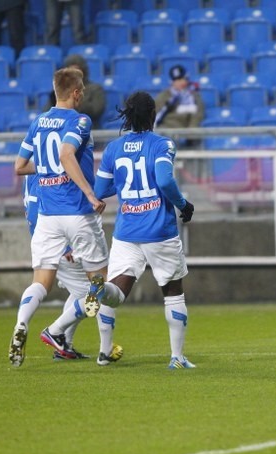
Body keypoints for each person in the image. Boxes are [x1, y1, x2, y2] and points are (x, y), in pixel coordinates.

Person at [9, 67, 110, 367]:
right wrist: (90, 195)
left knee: (41, 282)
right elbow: (67, 155)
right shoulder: (80, 120)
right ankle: (60, 332)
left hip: (48, 217)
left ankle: (21, 323)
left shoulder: (38, 122)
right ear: (77, 92)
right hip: (77, 213)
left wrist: (47, 170)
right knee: (101, 285)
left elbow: (19, 166)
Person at [92, 90, 196, 370]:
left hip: (126, 231)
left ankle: (104, 352)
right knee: (173, 292)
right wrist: (183, 205)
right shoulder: (163, 144)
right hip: (159, 231)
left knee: (116, 291)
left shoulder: (113, 149)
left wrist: (126, 185)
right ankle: (176, 357)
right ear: (153, 115)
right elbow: (164, 180)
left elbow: (100, 190)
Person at [20, 171, 121, 362]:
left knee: (79, 293)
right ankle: (104, 350)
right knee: (99, 289)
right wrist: (65, 245)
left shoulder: (37, 168)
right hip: (65, 243)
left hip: (56, 240)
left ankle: (64, 346)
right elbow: (35, 211)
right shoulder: (44, 171)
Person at [44, 54, 106, 128]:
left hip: (88, 129)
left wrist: (72, 103)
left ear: (83, 71)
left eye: (76, 70)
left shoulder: (95, 88)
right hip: (63, 129)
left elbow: (97, 110)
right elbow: (47, 111)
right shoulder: (61, 90)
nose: (73, 74)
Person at [153, 65, 204, 129]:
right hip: (165, 131)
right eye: (177, 80)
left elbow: (197, 116)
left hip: (184, 132)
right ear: (172, 82)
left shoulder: (194, 96)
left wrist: (191, 133)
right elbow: (153, 115)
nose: (181, 82)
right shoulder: (163, 96)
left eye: (183, 79)